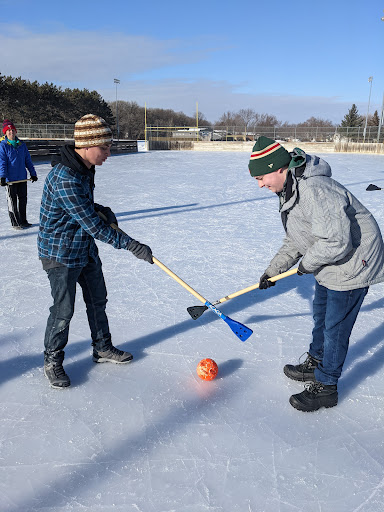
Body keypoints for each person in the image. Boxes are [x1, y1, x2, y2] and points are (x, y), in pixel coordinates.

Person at [249, 136, 384, 412]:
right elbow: (297, 238)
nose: (260, 184)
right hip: (330, 261)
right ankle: (317, 361)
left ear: (278, 168)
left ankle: (326, 386)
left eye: (262, 177)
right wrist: (273, 270)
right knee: (321, 315)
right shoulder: (289, 190)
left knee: (335, 327)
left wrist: (305, 264)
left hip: (353, 261)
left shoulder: (314, 189)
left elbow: (336, 241)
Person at [38, 114, 154, 389]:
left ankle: (102, 347)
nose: (108, 153)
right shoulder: (65, 177)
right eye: (105, 148)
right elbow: (92, 226)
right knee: (63, 310)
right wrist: (132, 245)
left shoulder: (83, 168)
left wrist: (100, 208)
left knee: (97, 299)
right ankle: (52, 359)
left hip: (83, 247)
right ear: (88, 145)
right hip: (60, 253)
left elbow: (85, 210)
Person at [0, 119, 38, 229]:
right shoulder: (3, 146)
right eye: (8, 130)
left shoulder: (22, 145)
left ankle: (23, 221)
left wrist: (33, 173)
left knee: (23, 200)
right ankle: (16, 223)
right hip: (10, 179)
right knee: (12, 202)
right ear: (5, 133)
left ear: (16, 131)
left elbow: (28, 161)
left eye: (12, 130)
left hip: (22, 177)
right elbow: (2, 162)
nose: (11, 132)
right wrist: (2, 176)